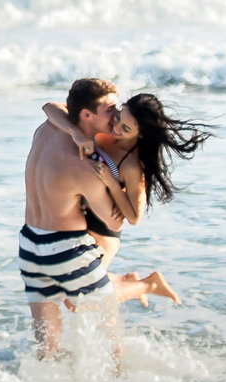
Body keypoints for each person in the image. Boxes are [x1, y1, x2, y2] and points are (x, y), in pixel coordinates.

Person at [42, 86, 215, 308]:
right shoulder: (105, 127)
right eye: (119, 118)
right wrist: (74, 132)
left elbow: (133, 217)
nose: (116, 128)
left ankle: (148, 285)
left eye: (125, 128)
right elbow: (49, 108)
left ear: (140, 134)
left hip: (104, 229)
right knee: (66, 289)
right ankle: (126, 281)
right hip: (80, 219)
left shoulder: (132, 166)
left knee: (76, 299)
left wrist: (112, 183)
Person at [20, 78, 124, 361]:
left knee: (47, 351)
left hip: (30, 244)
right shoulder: (85, 166)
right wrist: (117, 187)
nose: (118, 114)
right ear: (86, 115)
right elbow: (113, 223)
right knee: (111, 343)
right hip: (67, 249)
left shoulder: (46, 129)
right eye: (111, 109)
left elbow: (49, 107)